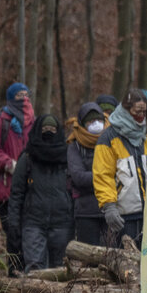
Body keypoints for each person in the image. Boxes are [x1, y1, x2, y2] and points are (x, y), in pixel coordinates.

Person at [8, 115, 73, 272]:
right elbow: (16, 193)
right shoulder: (27, 158)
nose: (48, 132)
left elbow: (73, 191)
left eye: (52, 129)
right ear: (38, 130)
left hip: (62, 224)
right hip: (33, 223)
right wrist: (14, 223)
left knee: (60, 270)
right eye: (44, 129)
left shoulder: (67, 157)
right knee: (35, 269)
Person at [0, 82, 35, 276]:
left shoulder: (34, 123)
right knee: (13, 233)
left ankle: (29, 275)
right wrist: (10, 164)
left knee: (28, 233)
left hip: (29, 189)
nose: (24, 99)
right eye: (19, 95)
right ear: (11, 98)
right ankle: (14, 275)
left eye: (26, 94)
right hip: (5, 190)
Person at [93, 89, 147, 249]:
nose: (141, 116)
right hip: (124, 216)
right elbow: (103, 175)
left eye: (144, 112)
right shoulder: (108, 137)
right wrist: (109, 206)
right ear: (126, 110)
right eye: (137, 112)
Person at [66, 102, 108, 246]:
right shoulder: (75, 146)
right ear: (83, 124)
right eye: (91, 121)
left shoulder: (111, 141)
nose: (96, 124)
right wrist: (105, 177)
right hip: (86, 212)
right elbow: (78, 177)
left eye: (99, 120)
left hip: (110, 209)